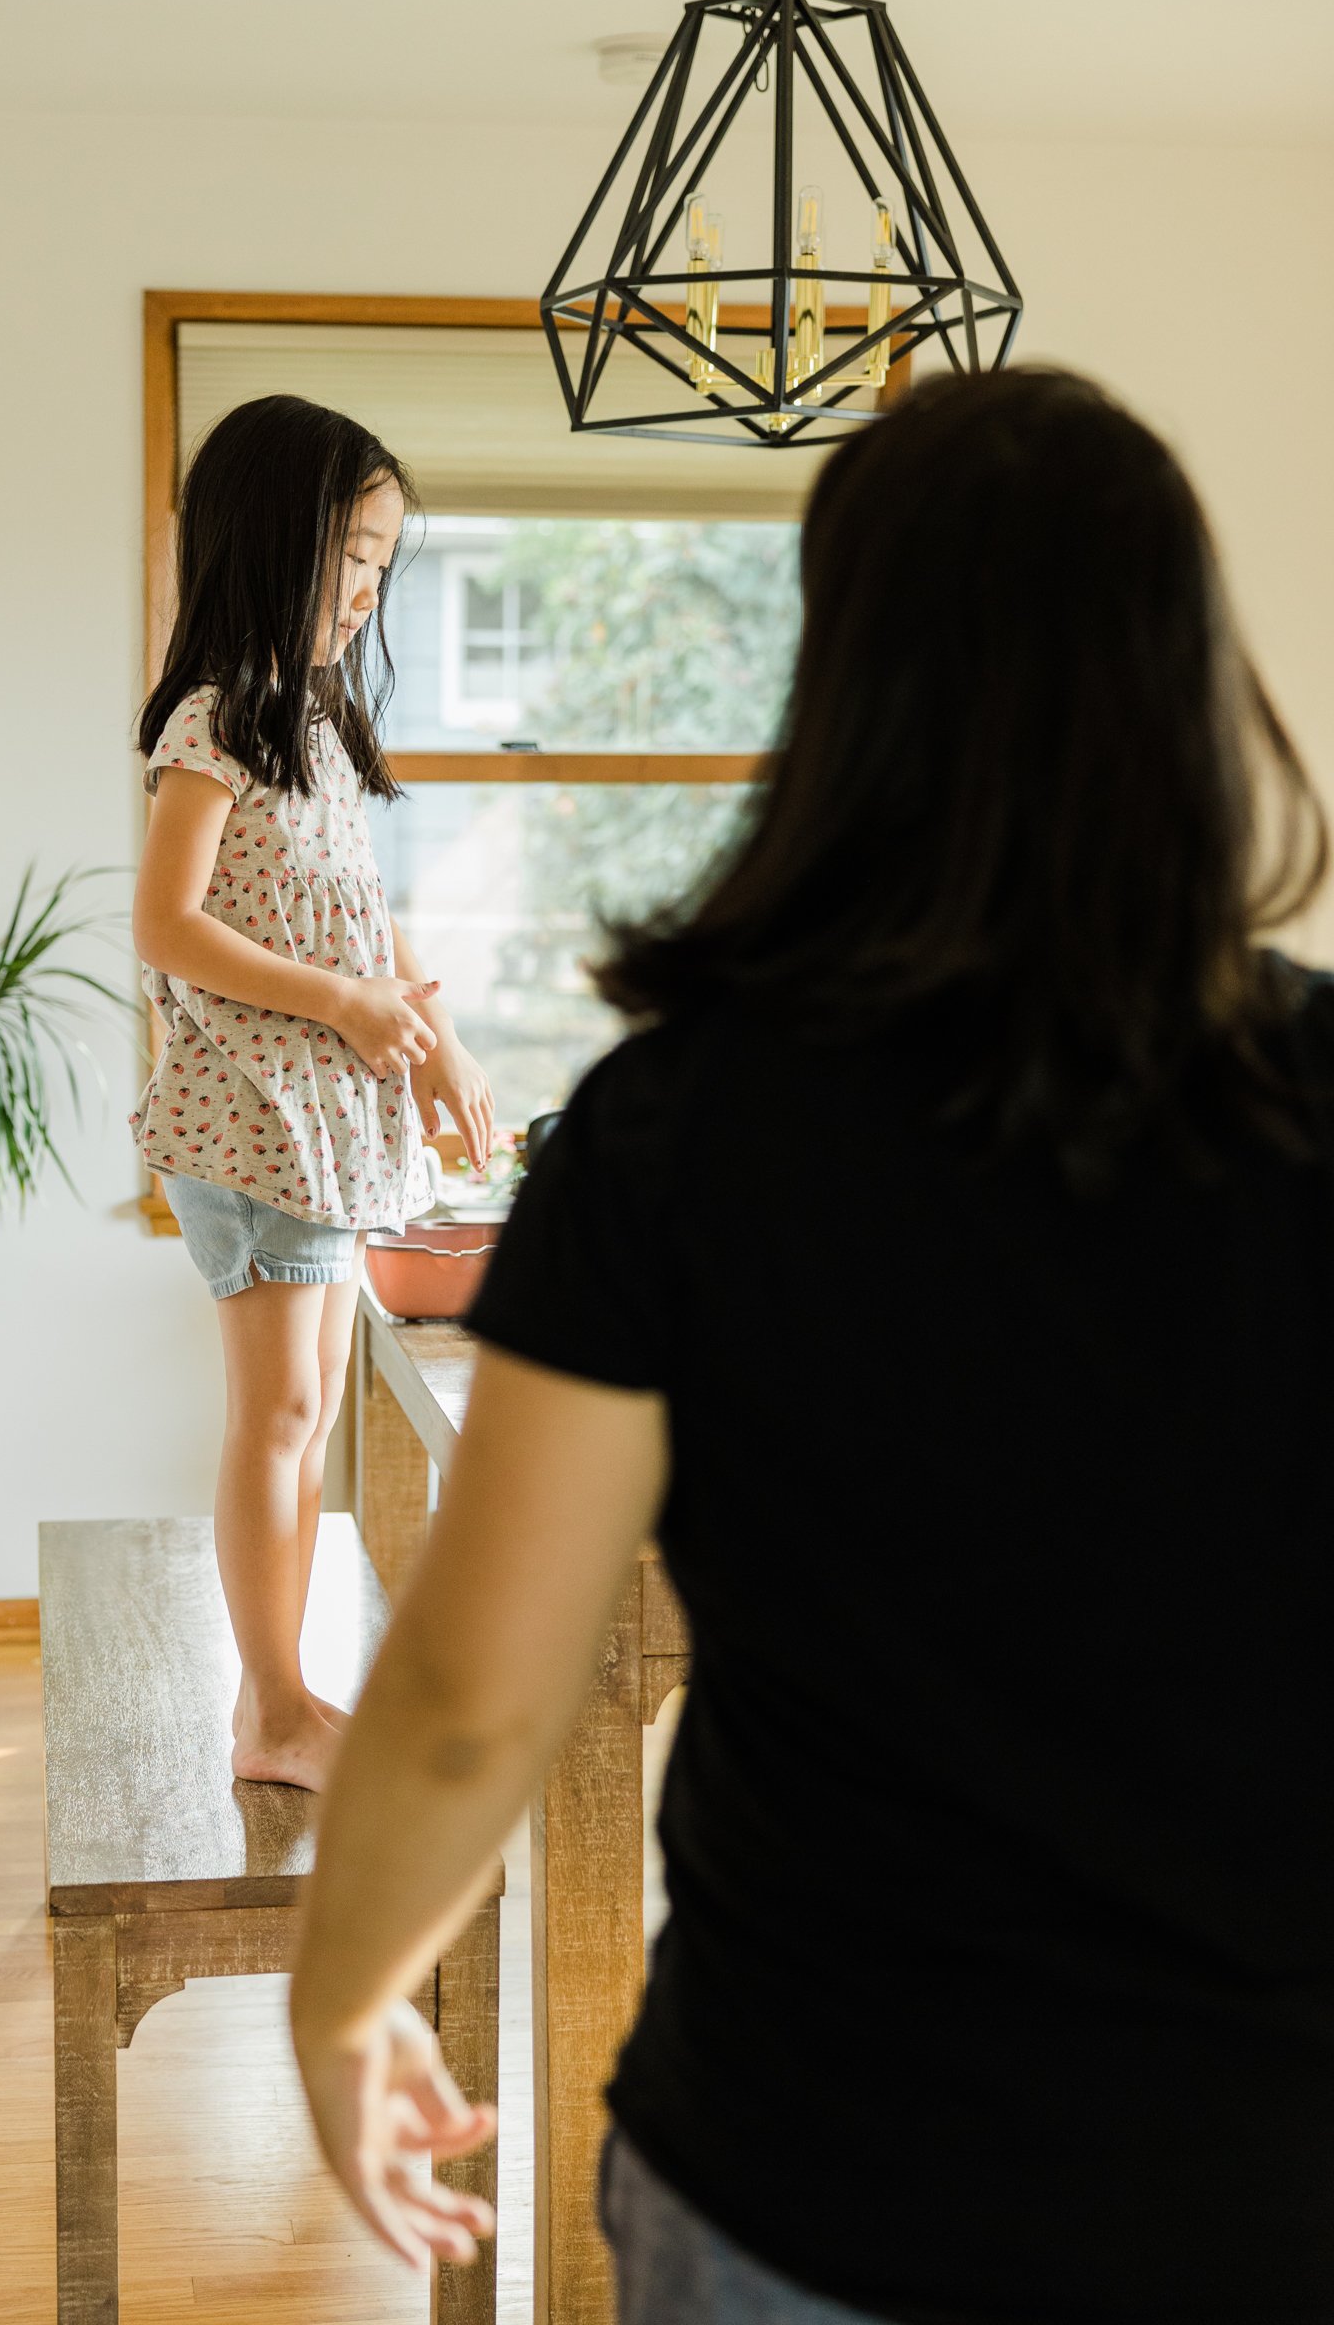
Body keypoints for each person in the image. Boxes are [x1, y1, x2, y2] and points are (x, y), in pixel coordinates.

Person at [287, 367, 1334, 2321]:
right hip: (1261, 2182)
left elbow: (463, 1697)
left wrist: (342, 1997)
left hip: (803, 2178)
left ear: (844, 685)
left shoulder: (681, 1129)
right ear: (1188, 679)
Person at [131, 393, 493, 1791]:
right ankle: (272, 1712)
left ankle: (285, 1701)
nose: (369, 589)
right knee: (278, 1422)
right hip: (254, 1130)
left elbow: (357, 912)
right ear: (274, 538)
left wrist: (433, 1035)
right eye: (354, 552)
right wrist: (346, 1004)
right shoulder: (219, 721)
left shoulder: (314, 722)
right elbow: (169, 929)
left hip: (315, 1135)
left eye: (387, 562)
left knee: (307, 1411)